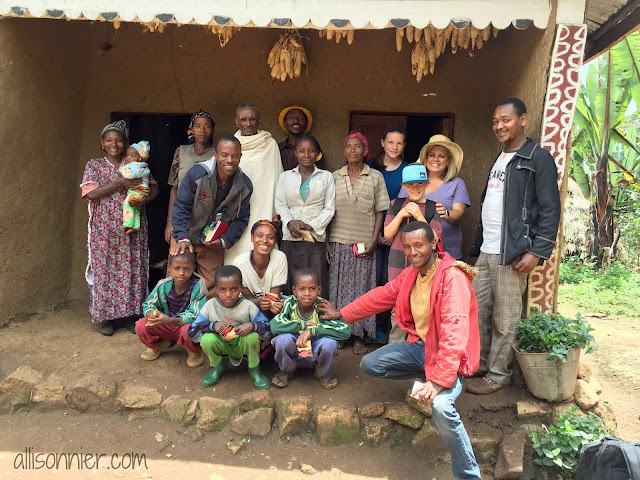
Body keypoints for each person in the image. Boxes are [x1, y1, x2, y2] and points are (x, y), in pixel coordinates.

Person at [318, 222, 481, 480]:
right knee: (370, 364)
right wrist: (343, 313)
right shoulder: (411, 274)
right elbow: (382, 295)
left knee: (441, 407)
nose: (413, 252)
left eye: (419, 245)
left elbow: (454, 334)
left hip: (450, 357)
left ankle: (469, 475)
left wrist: (438, 382)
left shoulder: (452, 277)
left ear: (433, 244)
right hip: (422, 348)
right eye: (407, 247)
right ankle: (427, 377)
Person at [466, 97, 561, 395]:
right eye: (495, 121)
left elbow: (551, 210)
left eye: (505, 120)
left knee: (505, 318)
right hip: (487, 249)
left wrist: (537, 252)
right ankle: (481, 363)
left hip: (512, 251)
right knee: (477, 309)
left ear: (523, 120)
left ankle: (498, 374)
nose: (499, 126)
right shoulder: (501, 157)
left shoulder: (538, 158)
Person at [80, 120, 159, 336]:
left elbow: (154, 188)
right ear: (102, 143)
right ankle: (108, 318)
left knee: (133, 269)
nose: (114, 144)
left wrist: (144, 200)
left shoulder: (136, 163)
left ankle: (131, 315)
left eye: (119, 140)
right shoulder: (94, 165)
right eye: (109, 140)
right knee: (105, 271)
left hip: (133, 229)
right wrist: (119, 183)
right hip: (103, 231)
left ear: (125, 143)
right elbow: (90, 193)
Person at [327, 132, 390, 354]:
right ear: (344, 151)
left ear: (365, 151)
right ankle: (340, 333)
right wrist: (326, 242)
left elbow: (380, 211)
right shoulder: (334, 177)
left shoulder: (375, 177)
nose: (353, 150)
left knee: (361, 292)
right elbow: (327, 212)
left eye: (358, 146)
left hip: (364, 244)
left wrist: (373, 240)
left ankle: (358, 336)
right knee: (338, 291)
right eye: (349, 146)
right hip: (338, 242)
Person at [170, 135, 252, 297]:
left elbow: (241, 219)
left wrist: (224, 241)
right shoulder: (198, 174)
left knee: (210, 289)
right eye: (224, 155)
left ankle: (200, 314)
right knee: (177, 282)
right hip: (185, 236)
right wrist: (182, 237)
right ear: (215, 155)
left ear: (240, 157)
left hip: (213, 244)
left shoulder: (244, 185)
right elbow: (181, 207)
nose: (230, 160)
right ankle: (177, 314)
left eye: (235, 156)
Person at [382, 164, 441, 343]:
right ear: (403, 186)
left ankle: (419, 351)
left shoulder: (432, 207)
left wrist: (419, 216)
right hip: (397, 266)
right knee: (398, 310)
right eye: (410, 185)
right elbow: (387, 234)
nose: (415, 188)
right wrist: (401, 215)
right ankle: (395, 351)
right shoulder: (396, 204)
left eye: (419, 184)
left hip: (424, 270)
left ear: (427, 184)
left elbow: (435, 238)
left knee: (422, 309)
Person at [189, 265, 270, 389]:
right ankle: (219, 365)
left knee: (253, 337)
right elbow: (192, 330)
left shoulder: (248, 306)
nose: (228, 294)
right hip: (222, 345)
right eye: (222, 289)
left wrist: (252, 326)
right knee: (207, 339)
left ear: (241, 288)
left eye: (234, 289)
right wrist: (212, 325)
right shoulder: (210, 305)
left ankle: (254, 369)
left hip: (242, 345)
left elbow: (268, 329)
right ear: (216, 289)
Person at [270, 268, 350, 389]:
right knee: (282, 340)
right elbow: (274, 326)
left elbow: (345, 331)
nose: (307, 293)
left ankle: (323, 372)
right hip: (294, 353)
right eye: (302, 288)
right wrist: (303, 325)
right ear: (294, 290)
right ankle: (287, 370)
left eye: (312, 288)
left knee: (329, 344)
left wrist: (313, 331)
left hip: (314, 353)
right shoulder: (290, 303)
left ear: (319, 290)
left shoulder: (322, 305)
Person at [275, 134, 335, 294]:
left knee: (316, 280)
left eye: (311, 151)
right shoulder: (285, 177)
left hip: (315, 239)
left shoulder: (326, 177)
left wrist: (311, 225)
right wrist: (290, 222)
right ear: (295, 153)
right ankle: (290, 310)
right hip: (290, 237)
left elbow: (329, 208)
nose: (306, 155)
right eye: (302, 151)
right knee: (290, 281)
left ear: (317, 153)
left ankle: (315, 311)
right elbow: (280, 204)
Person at [225, 104, 283, 264]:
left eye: (252, 119)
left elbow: (276, 178)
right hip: (236, 211)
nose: (248, 124)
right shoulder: (231, 146)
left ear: (259, 120)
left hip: (263, 208)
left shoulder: (270, 144)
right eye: (243, 120)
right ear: (237, 122)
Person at [399, 134, 470, 260]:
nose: (436, 159)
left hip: (448, 248)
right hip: (415, 248)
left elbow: (459, 212)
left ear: (448, 160)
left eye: (441, 156)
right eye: (432, 155)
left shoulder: (457, 183)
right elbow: (399, 207)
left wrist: (446, 214)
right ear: (426, 158)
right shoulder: (412, 181)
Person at [369, 125, 409, 344]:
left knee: (389, 281)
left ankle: (382, 327)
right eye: (390, 142)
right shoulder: (370, 167)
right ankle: (368, 326)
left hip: (397, 233)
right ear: (382, 143)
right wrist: (376, 233)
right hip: (371, 232)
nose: (394, 147)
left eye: (399, 143)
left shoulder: (408, 170)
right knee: (372, 278)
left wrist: (391, 232)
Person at [135, 250, 207, 367]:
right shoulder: (163, 285)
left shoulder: (199, 286)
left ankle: (194, 351)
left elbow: (195, 314)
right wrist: (151, 313)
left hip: (184, 325)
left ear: (193, 268)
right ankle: (158, 345)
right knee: (141, 325)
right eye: (177, 268)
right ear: (169, 268)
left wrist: (169, 320)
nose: (181, 273)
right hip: (166, 323)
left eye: (186, 268)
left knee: (191, 330)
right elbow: (149, 304)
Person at [165, 111, 216, 245]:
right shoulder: (181, 152)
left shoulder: (217, 154)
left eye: (207, 126)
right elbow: (174, 188)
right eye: (198, 126)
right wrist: (170, 223)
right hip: (181, 218)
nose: (202, 130)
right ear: (191, 130)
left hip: (206, 220)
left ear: (212, 131)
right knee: (179, 256)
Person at [233, 218, 287, 317]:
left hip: (272, 308)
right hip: (249, 308)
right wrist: (259, 302)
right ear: (252, 238)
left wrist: (273, 304)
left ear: (275, 241)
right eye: (259, 236)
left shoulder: (279, 258)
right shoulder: (240, 263)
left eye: (270, 237)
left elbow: (274, 297)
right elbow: (247, 298)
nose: (265, 241)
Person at [277, 105, 327, 171]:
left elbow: (320, 174)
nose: (296, 121)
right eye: (290, 117)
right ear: (285, 123)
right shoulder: (278, 149)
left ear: (306, 124)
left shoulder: (314, 148)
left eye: (301, 118)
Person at [119, 141, 151, 234]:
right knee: (135, 208)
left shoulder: (137, 167)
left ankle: (128, 223)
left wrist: (122, 169)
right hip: (141, 191)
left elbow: (129, 175)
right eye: (127, 155)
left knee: (127, 203)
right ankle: (136, 225)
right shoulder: (142, 166)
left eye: (132, 156)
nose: (128, 158)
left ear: (140, 158)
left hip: (138, 191)